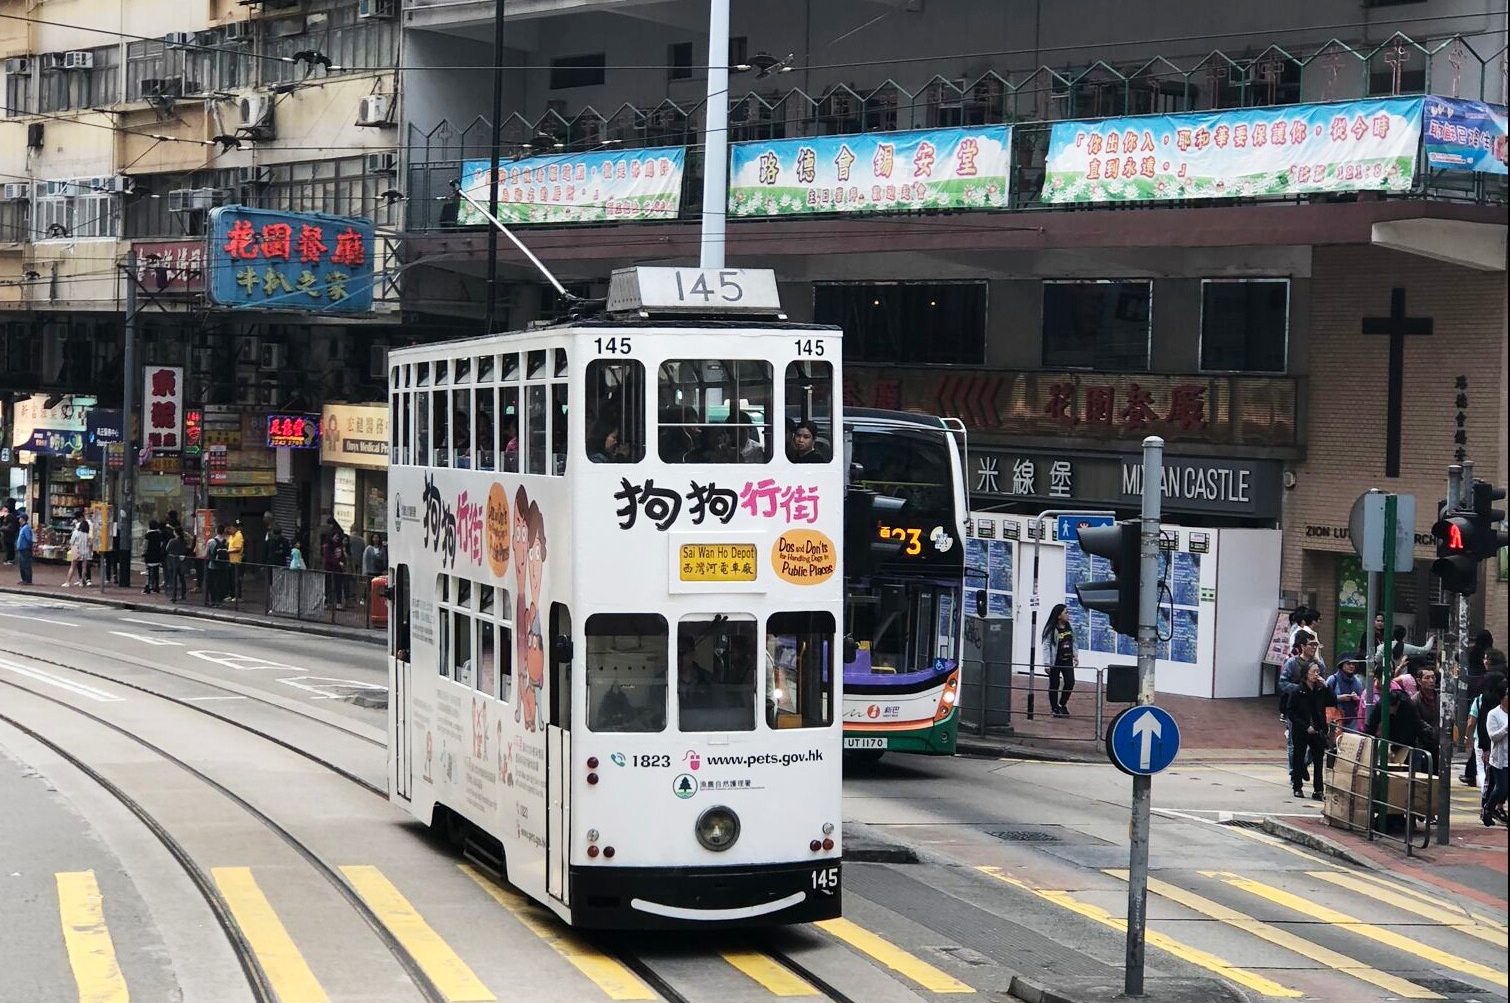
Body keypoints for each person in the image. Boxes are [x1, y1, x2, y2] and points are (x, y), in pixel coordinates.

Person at [1288, 662, 1331, 800]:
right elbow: (1291, 712)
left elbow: (1332, 701)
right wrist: (1305, 726)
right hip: (1302, 729)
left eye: (1318, 672)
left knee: (1318, 760)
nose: (1316, 674)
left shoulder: (1320, 690)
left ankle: (1318, 790)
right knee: (1299, 757)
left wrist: (1326, 686)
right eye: (1313, 671)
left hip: (1318, 729)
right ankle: (1297, 786)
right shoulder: (1297, 691)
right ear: (1306, 673)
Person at [1040, 603, 1078, 718]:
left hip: (1067, 660)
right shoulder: (1051, 629)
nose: (1068, 615)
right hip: (1055, 661)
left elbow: (1074, 641)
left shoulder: (1069, 627)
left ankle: (1062, 704)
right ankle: (1054, 707)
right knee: (1054, 684)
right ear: (1058, 615)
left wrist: (1075, 655)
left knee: (1070, 681)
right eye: (1065, 612)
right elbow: (1046, 646)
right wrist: (1047, 663)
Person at [1483, 684, 1509, 827]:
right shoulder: (1494, 714)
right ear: (1502, 698)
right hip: (1500, 758)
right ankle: (1488, 808)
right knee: (1501, 788)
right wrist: (1506, 728)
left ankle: (1498, 809)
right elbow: (1493, 737)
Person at [1327, 655, 1366, 733]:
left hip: (1352, 721)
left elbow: (1362, 702)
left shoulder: (1358, 682)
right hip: (1335, 719)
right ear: (1342, 665)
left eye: (1353, 664)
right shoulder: (1332, 679)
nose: (1351, 666)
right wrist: (1339, 698)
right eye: (1348, 664)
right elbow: (1324, 698)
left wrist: (1357, 698)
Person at [63, 516, 92, 587]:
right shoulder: (87, 535)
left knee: (72, 566)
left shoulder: (76, 532)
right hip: (85, 551)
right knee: (84, 567)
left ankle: (67, 582)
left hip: (76, 549)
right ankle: (82, 582)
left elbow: (71, 541)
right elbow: (90, 544)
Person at [142, 519, 166, 594]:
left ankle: (148, 587)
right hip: (157, 555)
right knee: (156, 571)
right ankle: (156, 587)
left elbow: (145, 545)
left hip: (149, 555)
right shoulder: (159, 534)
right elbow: (162, 544)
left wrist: (144, 553)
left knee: (148, 571)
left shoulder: (148, 535)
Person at [165, 528, 188, 602]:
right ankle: (183, 595)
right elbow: (186, 550)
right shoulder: (184, 541)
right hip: (182, 561)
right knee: (182, 579)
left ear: (175, 532)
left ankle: (174, 596)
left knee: (174, 579)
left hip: (174, 562)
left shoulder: (172, 541)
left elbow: (167, 549)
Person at [227, 519, 245, 601]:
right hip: (231, 560)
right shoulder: (231, 536)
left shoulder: (238, 535)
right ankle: (232, 595)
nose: (229, 530)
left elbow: (238, 548)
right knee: (231, 579)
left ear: (235, 528)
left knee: (236, 579)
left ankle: (237, 596)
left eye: (230, 528)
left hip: (236, 561)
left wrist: (228, 551)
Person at [15, 513, 33, 585]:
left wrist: (28, 547)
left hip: (25, 549)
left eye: (20, 518)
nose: (19, 520)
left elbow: (29, 539)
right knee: (22, 565)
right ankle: (24, 579)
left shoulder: (26, 528)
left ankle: (28, 580)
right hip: (22, 549)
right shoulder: (22, 528)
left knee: (26, 565)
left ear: (23, 519)